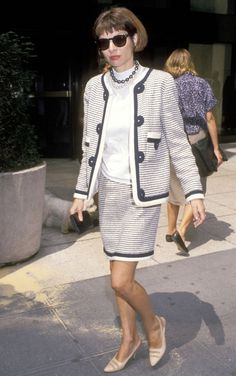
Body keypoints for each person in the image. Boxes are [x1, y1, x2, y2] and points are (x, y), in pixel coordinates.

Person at [70, 8, 205, 372]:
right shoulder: (94, 88)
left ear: (134, 38)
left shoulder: (160, 83)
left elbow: (178, 143)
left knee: (120, 279)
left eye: (118, 39)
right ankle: (129, 340)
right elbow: (89, 147)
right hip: (109, 194)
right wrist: (82, 192)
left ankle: (153, 326)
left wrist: (193, 191)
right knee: (120, 279)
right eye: (104, 42)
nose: (111, 48)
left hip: (141, 194)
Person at [164, 48, 223, 254]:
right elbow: (209, 118)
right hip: (197, 140)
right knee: (195, 188)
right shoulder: (202, 84)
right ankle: (181, 231)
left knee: (173, 188)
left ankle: (170, 230)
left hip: (175, 140)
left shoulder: (169, 86)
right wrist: (216, 148)